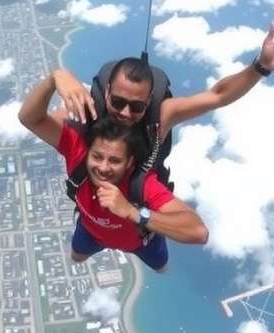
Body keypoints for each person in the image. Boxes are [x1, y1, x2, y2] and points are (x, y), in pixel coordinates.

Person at [18, 77, 209, 271]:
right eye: (97, 156)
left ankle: (153, 229)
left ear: (129, 163)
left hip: (141, 241)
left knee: (162, 268)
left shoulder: (141, 185)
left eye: (115, 161)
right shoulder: (77, 154)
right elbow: (29, 118)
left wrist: (133, 212)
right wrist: (54, 79)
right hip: (92, 232)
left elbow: (199, 232)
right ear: (87, 152)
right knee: (77, 257)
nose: (103, 167)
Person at [50, 21, 274, 133]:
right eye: (118, 102)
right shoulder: (87, 112)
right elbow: (35, 119)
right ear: (107, 93)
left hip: (141, 213)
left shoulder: (161, 116)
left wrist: (260, 67)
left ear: (149, 102)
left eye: (137, 106)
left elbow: (218, 96)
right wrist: (58, 76)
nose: (126, 112)